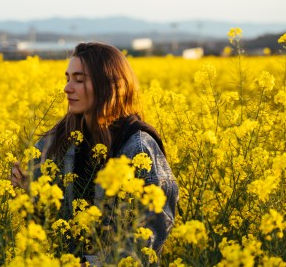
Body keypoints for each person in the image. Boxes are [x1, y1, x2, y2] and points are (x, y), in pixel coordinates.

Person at [11, 42, 178, 265]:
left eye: (79, 80)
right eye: (67, 79)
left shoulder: (137, 147)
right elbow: (46, 221)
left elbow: (152, 232)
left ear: (107, 86)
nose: (68, 88)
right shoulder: (60, 139)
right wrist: (24, 191)